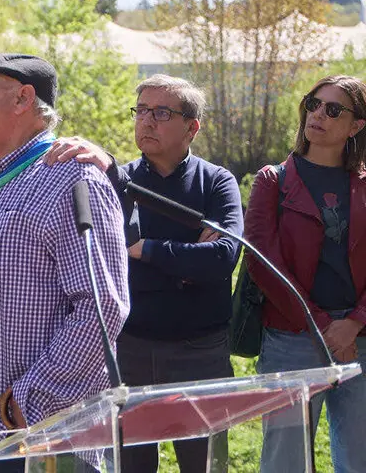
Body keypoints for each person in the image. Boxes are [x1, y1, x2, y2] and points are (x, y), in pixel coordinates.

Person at [49, 75, 242, 472]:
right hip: (130, 351)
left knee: (205, 466)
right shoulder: (116, 182)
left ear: (192, 127)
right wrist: (184, 262)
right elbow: (103, 261)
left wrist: (142, 249)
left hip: (198, 353)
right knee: (131, 466)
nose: (146, 121)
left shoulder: (216, 182)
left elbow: (221, 258)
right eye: (141, 111)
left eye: (161, 112)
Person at [0, 54, 129, 472]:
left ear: (22, 99)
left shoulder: (73, 178)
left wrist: (32, 398)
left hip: (48, 435)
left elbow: (102, 306)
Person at [247, 75, 366, 473]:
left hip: (359, 341)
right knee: (285, 464)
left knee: (359, 460)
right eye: (313, 104)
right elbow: (264, 264)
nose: (318, 114)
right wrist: (322, 326)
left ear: (356, 126)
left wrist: (353, 323)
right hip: (292, 340)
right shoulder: (272, 180)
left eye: (333, 110)